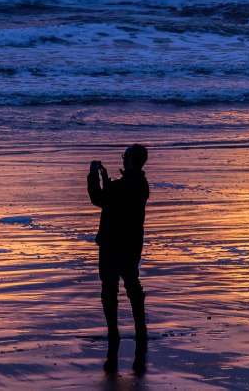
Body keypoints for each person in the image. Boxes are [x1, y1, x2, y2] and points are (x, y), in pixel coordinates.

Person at [87, 144, 150, 374]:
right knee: (132, 286)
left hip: (112, 245)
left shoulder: (125, 186)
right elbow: (114, 197)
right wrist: (106, 180)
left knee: (109, 290)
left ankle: (113, 333)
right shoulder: (141, 185)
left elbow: (99, 199)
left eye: (125, 156)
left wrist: (93, 174)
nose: (123, 159)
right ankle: (140, 330)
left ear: (132, 160)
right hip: (131, 245)